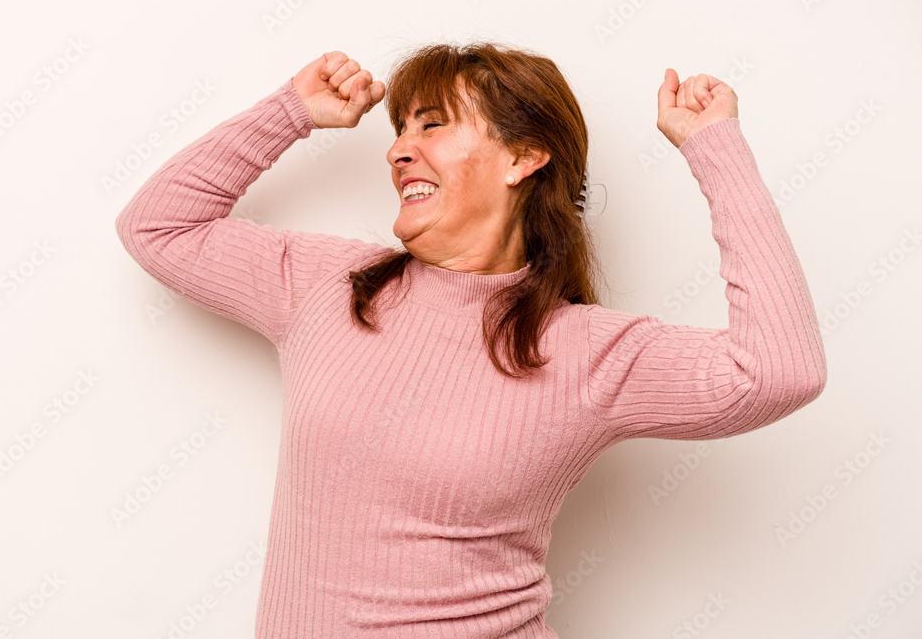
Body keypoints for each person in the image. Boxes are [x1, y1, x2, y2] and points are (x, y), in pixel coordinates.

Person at [115, 42, 827, 638]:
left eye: (432, 125)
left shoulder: (587, 351)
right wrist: (289, 112)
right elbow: (156, 227)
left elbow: (780, 371)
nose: (399, 149)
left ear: (524, 157)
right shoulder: (330, 286)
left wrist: (716, 152)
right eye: (400, 130)